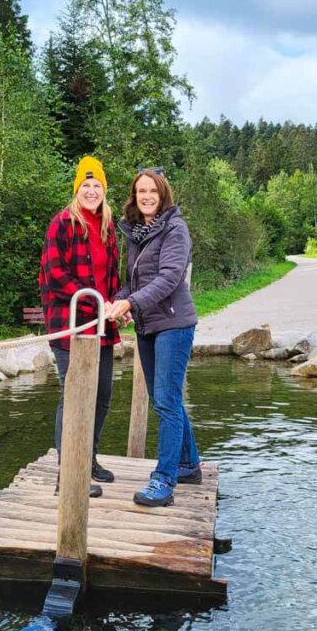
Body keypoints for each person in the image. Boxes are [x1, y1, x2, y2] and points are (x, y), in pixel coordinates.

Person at [106, 169, 201, 507]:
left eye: (152, 191)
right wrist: (120, 298)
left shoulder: (176, 229)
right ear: (134, 196)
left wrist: (131, 303)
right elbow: (132, 282)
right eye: (140, 191)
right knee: (166, 398)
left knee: (164, 400)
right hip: (147, 326)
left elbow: (169, 278)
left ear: (163, 195)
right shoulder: (136, 233)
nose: (146, 196)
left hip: (174, 325)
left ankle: (164, 480)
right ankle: (189, 464)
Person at [39, 156, 121, 498]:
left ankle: (87, 459)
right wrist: (96, 304)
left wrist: (116, 304)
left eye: (97, 186)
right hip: (70, 325)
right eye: (85, 186)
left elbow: (112, 276)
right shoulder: (62, 223)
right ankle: (67, 473)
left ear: (104, 191)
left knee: (102, 396)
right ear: (77, 189)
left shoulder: (107, 226)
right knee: (73, 397)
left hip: (101, 327)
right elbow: (55, 276)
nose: (91, 191)